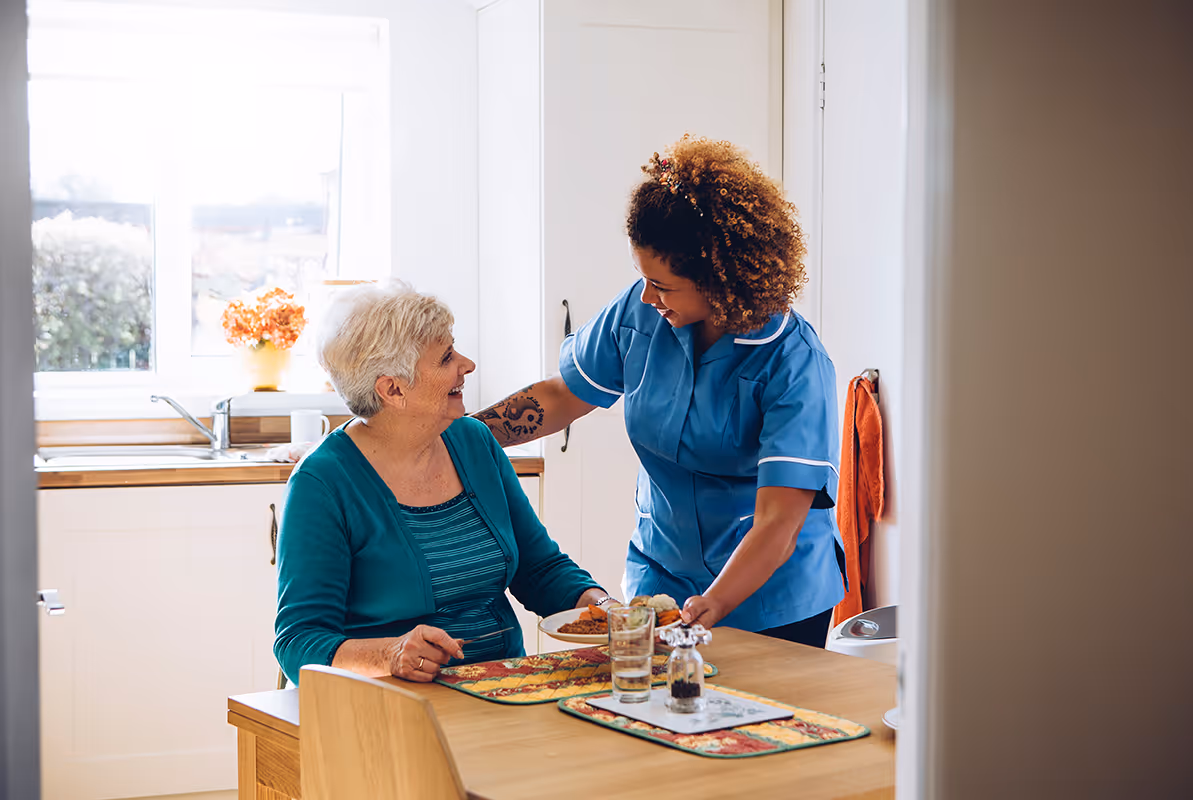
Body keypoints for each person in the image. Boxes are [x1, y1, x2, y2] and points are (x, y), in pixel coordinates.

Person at [474, 135, 845, 647]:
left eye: (664, 285)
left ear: (721, 278)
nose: (648, 296)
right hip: (662, 578)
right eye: (642, 278)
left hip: (770, 598)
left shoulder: (793, 361)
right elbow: (562, 396)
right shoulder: (641, 310)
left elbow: (779, 521)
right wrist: (462, 437)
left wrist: (715, 603)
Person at [274, 281, 611, 685]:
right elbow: (298, 641)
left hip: (502, 688)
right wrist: (392, 654)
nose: (466, 365)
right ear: (393, 389)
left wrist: (602, 607)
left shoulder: (473, 441)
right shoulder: (323, 482)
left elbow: (539, 569)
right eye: (447, 357)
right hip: (391, 706)